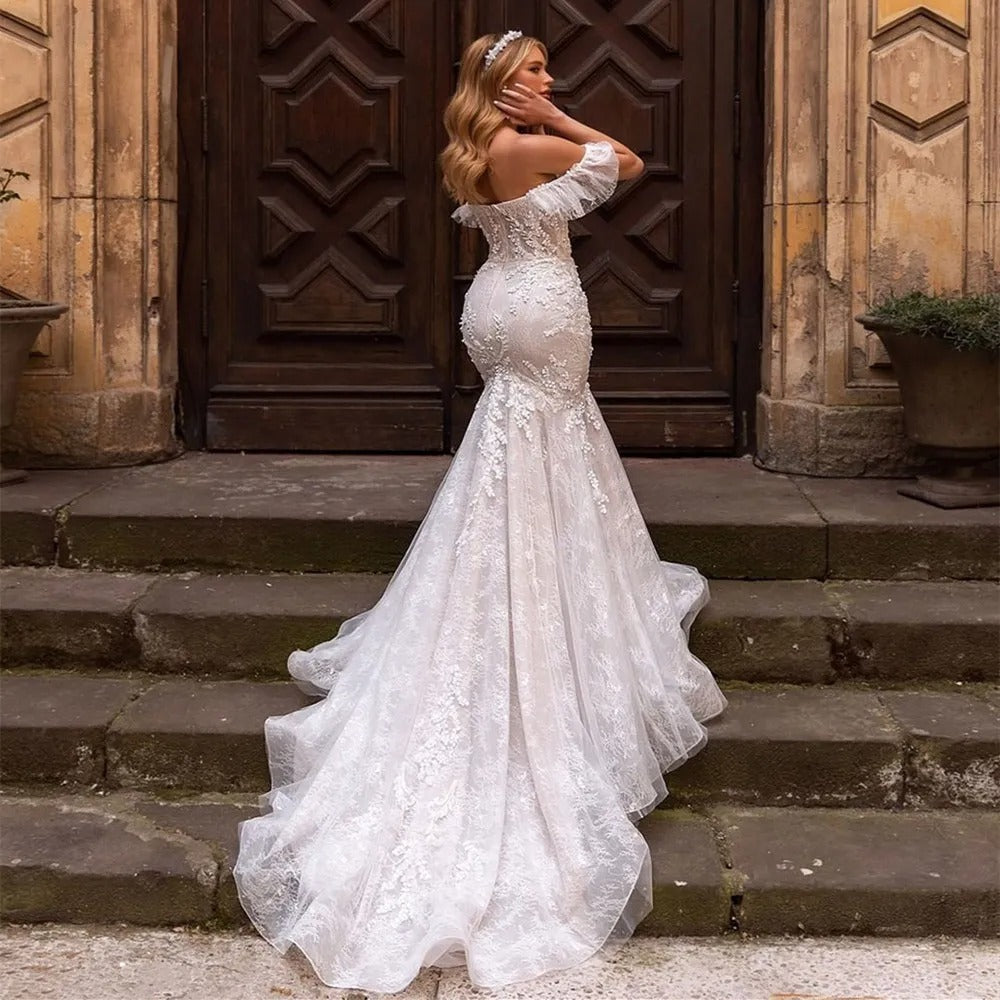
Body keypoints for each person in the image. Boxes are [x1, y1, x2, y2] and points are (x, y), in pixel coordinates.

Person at [232, 29, 729, 994]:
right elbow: (625, 161)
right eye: (532, 71)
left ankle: (522, 560)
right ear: (501, 88)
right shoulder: (525, 144)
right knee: (543, 439)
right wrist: (561, 119)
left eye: (546, 70)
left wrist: (541, 113)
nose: (548, 80)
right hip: (539, 307)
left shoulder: (471, 152)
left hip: (499, 303)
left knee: (519, 450)